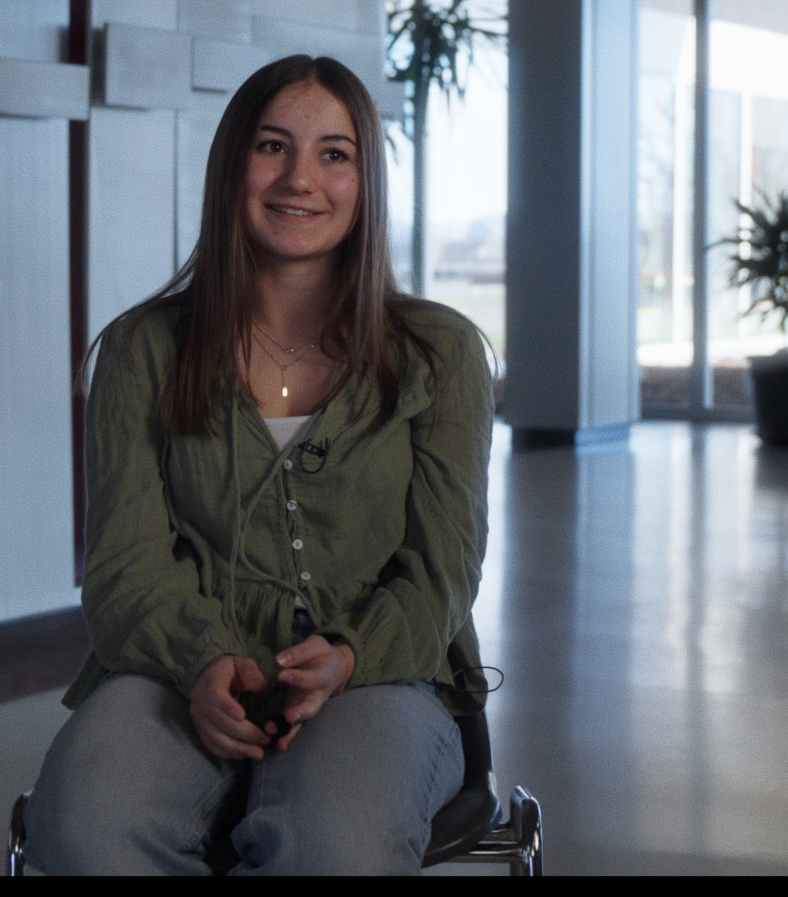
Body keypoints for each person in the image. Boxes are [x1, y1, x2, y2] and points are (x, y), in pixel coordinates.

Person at [24, 54, 493, 875]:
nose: (299, 179)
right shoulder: (141, 350)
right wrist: (203, 661)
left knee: (335, 844)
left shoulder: (441, 353)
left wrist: (348, 654)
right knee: (83, 825)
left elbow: (442, 572)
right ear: (230, 166)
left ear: (366, 182)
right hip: (177, 672)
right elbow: (125, 568)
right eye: (272, 146)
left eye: (334, 154)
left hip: (379, 676)